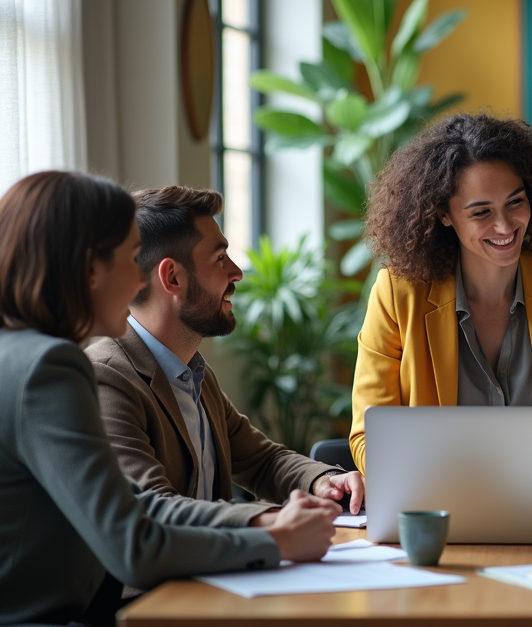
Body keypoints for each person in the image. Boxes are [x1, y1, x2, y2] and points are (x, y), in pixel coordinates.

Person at [0, 172, 338, 627]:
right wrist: (275, 538)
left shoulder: (22, 355)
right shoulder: (51, 368)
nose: (138, 280)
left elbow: (136, 505)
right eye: (129, 259)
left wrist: (303, 498)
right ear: (89, 267)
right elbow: (134, 544)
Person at [350, 113, 532, 476]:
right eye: (481, 212)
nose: (504, 225)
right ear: (444, 215)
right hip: (438, 507)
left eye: (515, 202)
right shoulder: (397, 293)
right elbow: (368, 438)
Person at [86, 186, 364, 523]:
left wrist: (323, 481)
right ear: (172, 277)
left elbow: (262, 461)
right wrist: (266, 520)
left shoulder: (193, 373)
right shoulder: (106, 379)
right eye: (220, 259)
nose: (237, 273)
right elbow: (152, 510)